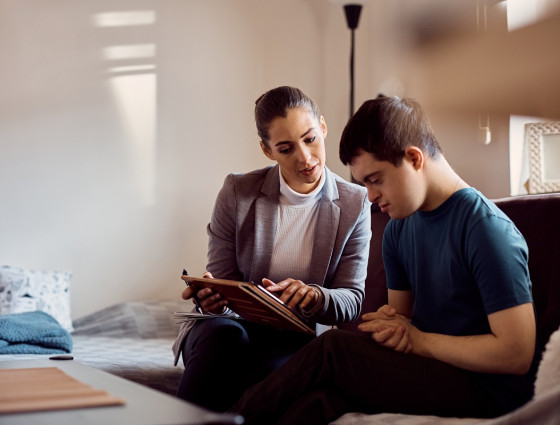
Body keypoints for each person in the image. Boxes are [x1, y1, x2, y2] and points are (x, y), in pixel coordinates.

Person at [230, 96, 539, 425]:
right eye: (363, 183)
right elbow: (402, 327)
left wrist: (418, 340)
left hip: (489, 391)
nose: (370, 196)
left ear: (413, 158)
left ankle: (222, 420)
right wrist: (390, 327)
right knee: (319, 402)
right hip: (431, 372)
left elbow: (516, 354)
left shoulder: (485, 229)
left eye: (375, 179)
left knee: (332, 348)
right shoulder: (398, 229)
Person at [172, 86, 372, 412]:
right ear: (268, 152)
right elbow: (224, 280)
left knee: (274, 369)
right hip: (228, 326)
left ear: (322, 127)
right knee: (224, 339)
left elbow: (351, 300)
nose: (305, 158)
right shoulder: (238, 192)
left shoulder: (354, 203)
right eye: (286, 148)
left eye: (310, 139)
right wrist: (213, 300)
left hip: (297, 336)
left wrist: (314, 296)